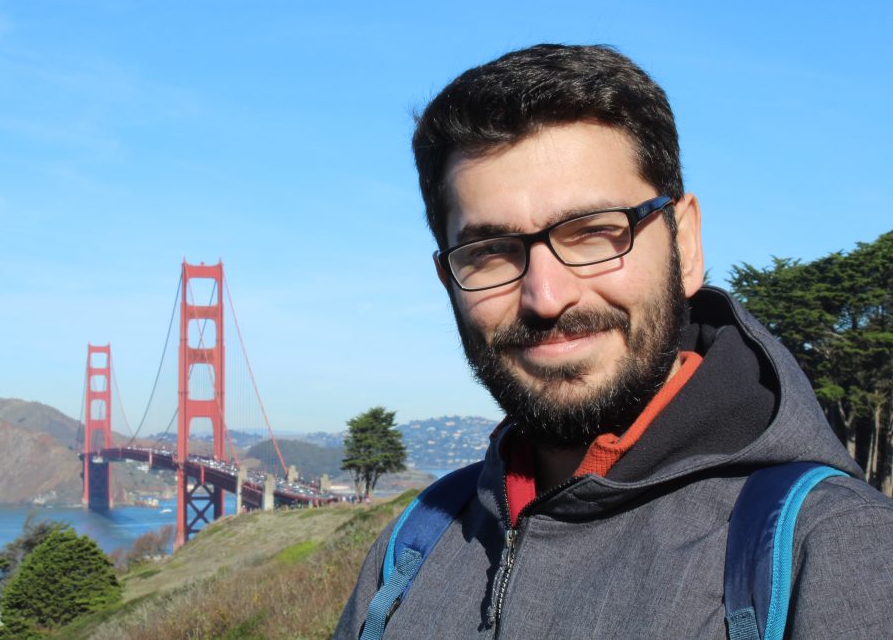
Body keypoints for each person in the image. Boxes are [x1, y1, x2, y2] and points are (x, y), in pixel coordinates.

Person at [334, 44, 893, 639]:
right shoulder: (413, 548)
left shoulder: (836, 553)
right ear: (449, 280)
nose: (546, 298)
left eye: (596, 232)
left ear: (686, 244)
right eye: (492, 251)